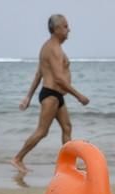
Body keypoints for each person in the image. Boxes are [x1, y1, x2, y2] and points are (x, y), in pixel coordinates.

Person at [10, 14, 89, 174]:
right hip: (51, 94)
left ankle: (69, 164)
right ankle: (17, 158)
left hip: (55, 95)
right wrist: (79, 95)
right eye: (66, 26)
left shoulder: (51, 47)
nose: (69, 30)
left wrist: (28, 97)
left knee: (67, 127)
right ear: (56, 29)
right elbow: (59, 79)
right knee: (42, 131)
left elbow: (39, 73)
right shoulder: (53, 49)